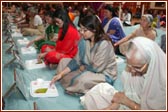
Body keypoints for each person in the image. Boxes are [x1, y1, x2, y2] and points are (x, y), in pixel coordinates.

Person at [80, 36, 166, 110]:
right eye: (129, 65)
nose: (132, 71)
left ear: (151, 62)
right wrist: (110, 108)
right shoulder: (132, 67)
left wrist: (127, 102)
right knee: (97, 90)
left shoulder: (163, 81)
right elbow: (126, 96)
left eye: (137, 67)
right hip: (128, 104)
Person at [50, 15, 117, 95]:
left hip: (102, 73)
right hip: (86, 67)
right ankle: (73, 83)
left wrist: (83, 68)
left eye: (84, 30)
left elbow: (97, 68)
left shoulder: (104, 43)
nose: (81, 32)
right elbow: (76, 60)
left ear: (94, 30)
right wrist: (61, 74)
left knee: (83, 79)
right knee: (63, 62)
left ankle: (76, 85)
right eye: (81, 29)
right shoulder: (84, 40)